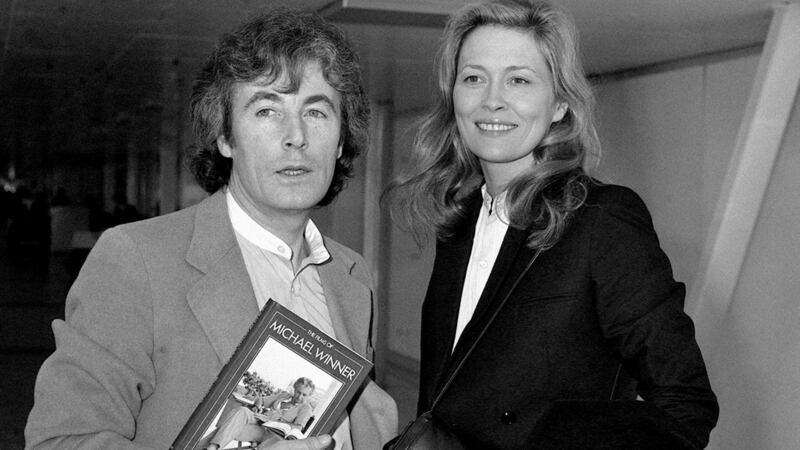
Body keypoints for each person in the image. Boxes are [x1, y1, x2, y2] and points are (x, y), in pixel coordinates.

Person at [25, 8, 397, 450]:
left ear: (339, 141)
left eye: (316, 112)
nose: (296, 136)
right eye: (266, 110)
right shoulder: (137, 261)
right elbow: (60, 440)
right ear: (225, 137)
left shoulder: (351, 277)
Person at [386, 0, 718, 448]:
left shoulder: (602, 218)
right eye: (473, 78)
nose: (492, 100)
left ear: (560, 103)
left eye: (519, 80)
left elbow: (685, 403)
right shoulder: (459, 226)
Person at [206, 378, 316, 450]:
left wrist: (277, 423)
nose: (299, 397)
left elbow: (298, 428)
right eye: (298, 392)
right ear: (294, 389)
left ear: (309, 396)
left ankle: (208, 447)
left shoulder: (306, 408)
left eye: (304, 395)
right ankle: (211, 448)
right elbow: (261, 400)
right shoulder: (284, 396)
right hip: (260, 424)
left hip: (273, 436)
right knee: (242, 411)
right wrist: (258, 406)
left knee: (227, 428)